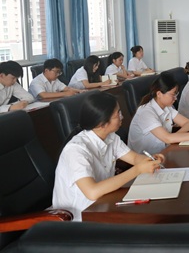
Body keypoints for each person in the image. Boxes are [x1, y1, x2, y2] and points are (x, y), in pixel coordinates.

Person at [52, 93, 163, 221]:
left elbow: (133, 158)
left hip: (103, 204)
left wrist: (149, 160)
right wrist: (138, 169)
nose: (122, 117)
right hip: (79, 218)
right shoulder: (76, 150)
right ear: (102, 124)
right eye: (117, 114)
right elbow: (92, 192)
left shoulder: (111, 137)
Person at [128, 73, 189, 155]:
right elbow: (167, 138)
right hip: (146, 159)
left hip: (164, 152)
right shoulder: (146, 112)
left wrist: (176, 136)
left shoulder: (167, 107)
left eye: (176, 94)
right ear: (159, 94)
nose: (175, 98)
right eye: (172, 95)